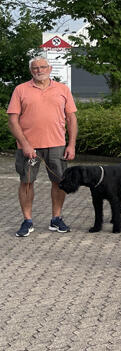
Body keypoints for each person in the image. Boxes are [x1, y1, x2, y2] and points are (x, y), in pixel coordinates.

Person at [7, 57, 77, 237]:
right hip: (29, 148)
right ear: (31, 70)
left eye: (43, 66)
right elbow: (13, 121)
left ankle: (56, 219)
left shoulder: (62, 89)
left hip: (58, 145)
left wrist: (71, 144)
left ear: (50, 68)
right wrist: (25, 144)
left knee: (59, 182)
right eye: (35, 68)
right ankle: (27, 221)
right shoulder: (20, 90)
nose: (39, 70)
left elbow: (71, 119)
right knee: (27, 183)